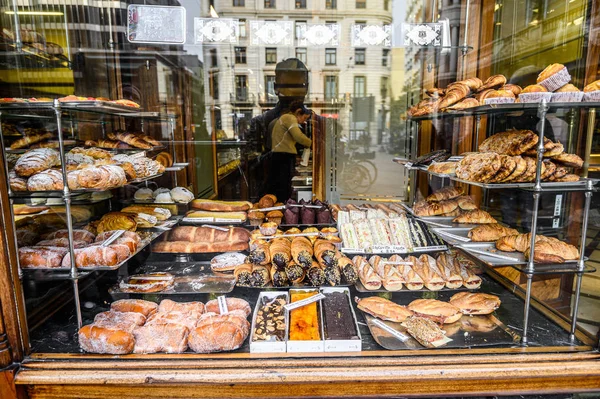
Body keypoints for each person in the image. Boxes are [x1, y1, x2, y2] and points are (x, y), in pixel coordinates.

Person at [268, 101, 313, 201]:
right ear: (298, 112)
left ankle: (283, 206)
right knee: (283, 186)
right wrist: (313, 143)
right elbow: (298, 136)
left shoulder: (285, 118)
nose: (303, 121)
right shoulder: (289, 118)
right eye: (304, 118)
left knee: (282, 185)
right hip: (283, 157)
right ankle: (284, 208)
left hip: (281, 156)